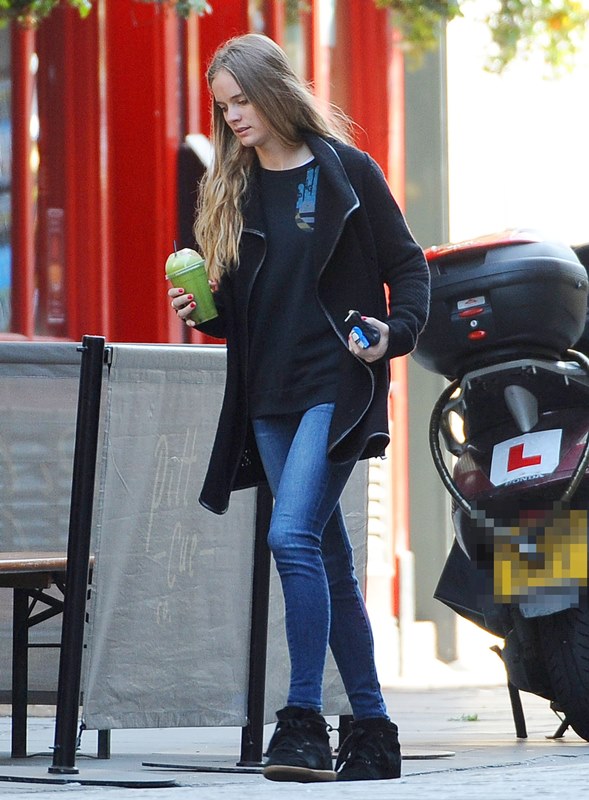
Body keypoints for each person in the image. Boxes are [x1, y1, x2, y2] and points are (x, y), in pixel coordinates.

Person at [169, 33, 430, 783]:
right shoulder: (231, 186)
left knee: (290, 537)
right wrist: (202, 311)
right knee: (328, 560)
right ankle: (373, 732)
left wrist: (394, 334)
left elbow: (408, 266)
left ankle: (302, 723)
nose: (233, 117)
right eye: (223, 107)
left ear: (275, 91)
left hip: (336, 385)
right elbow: (239, 311)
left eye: (242, 101)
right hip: (267, 393)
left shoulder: (345, 171)